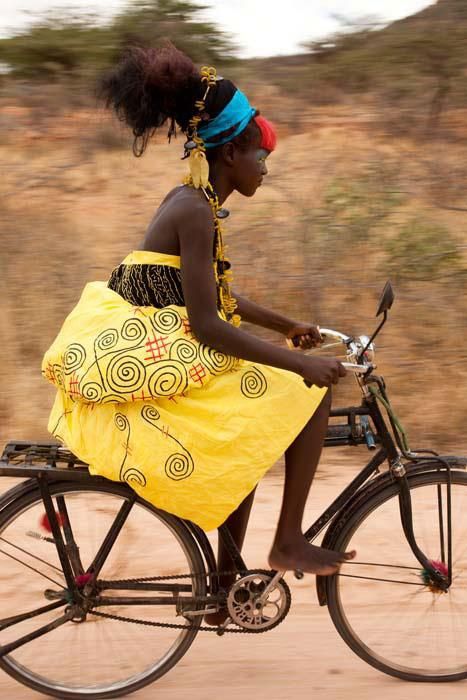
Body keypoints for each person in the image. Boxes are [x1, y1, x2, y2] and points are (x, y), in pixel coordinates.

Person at [42, 45, 355, 619]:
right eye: (261, 156)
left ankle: (226, 583)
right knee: (308, 394)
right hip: (153, 352)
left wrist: (287, 326)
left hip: (158, 339)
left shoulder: (196, 202)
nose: (265, 167)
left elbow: (211, 295)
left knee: (248, 429)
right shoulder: (195, 211)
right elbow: (209, 325)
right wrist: (300, 364)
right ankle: (287, 540)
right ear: (232, 152)